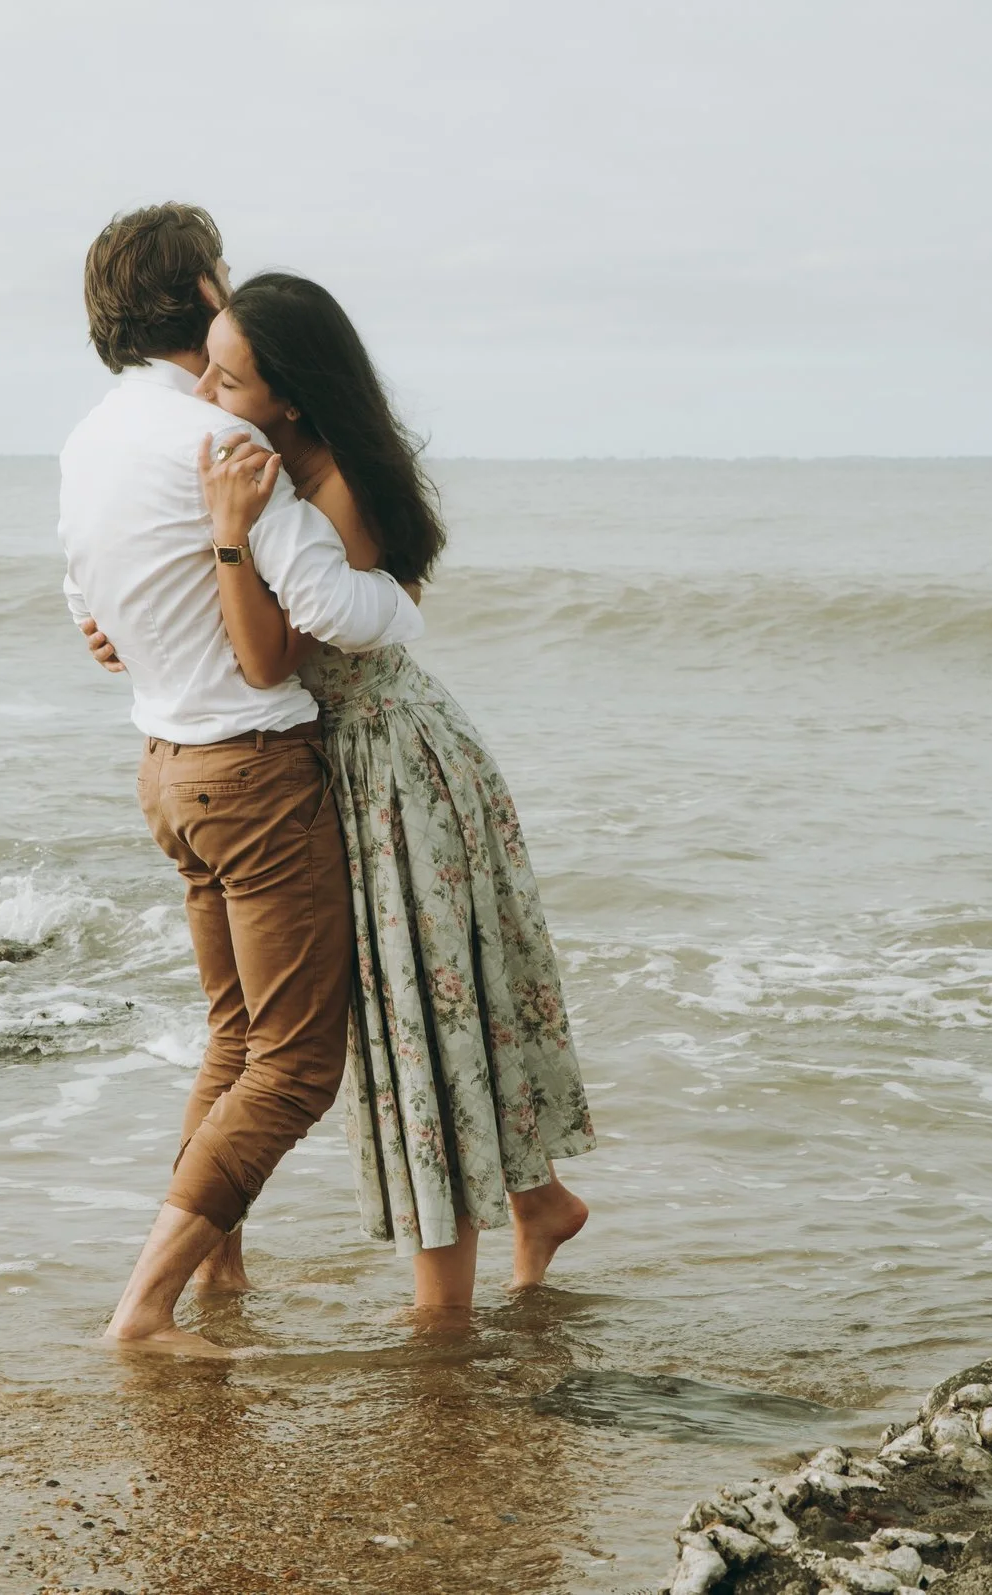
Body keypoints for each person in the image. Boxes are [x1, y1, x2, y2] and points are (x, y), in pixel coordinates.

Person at [186, 271, 597, 1314]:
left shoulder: (339, 495)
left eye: (226, 379)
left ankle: (440, 1331)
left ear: (289, 393)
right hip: (379, 763)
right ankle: (536, 1202)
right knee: (431, 1017)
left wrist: (230, 532)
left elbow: (267, 657)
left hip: (394, 781)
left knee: (419, 1029)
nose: (204, 397)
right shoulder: (308, 465)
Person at [57, 205, 425, 1352]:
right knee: (298, 1060)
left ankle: (218, 1272)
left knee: (233, 1038)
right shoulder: (225, 449)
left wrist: (118, 627)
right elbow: (330, 607)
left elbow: (85, 594)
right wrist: (403, 606)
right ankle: (146, 1304)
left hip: (167, 769)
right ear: (209, 291)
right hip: (253, 772)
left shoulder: (92, 438)